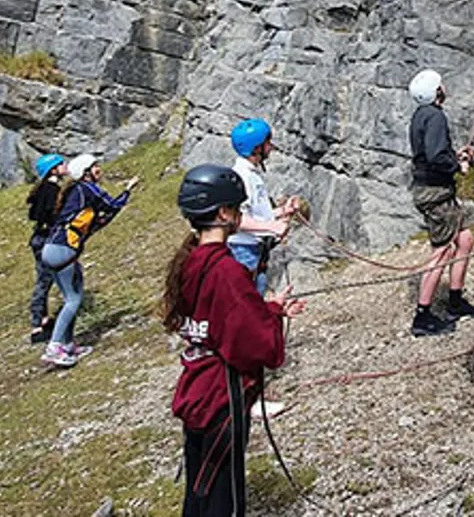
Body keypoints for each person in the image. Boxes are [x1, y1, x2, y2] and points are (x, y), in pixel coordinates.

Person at [163, 163, 306, 517]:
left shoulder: (190, 260)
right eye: (237, 208)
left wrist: (270, 308)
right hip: (222, 395)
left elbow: (220, 317)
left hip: (197, 387)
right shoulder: (227, 270)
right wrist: (270, 318)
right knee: (223, 499)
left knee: (200, 488)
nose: (240, 214)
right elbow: (256, 344)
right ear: (224, 213)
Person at [406, 69, 474, 337]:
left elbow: (430, 153)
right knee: (441, 251)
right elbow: (435, 156)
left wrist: (453, 156)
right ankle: (422, 316)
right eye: (440, 85)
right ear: (437, 92)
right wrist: (458, 165)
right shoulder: (435, 116)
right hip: (435, 193)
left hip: (433, 190)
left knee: (465, 240)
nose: (444, 87)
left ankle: (455, 301)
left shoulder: (421, 115)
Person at [228, 117, 303, 418]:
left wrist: (281, 212)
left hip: (253, 251)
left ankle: (250, 390)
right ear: (257, 147)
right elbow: (237, 220)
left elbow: (255, 214)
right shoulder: (242, 177)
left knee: (253, 315)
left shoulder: (250, 174)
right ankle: (248, 397)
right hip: (244, 252)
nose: (271, 146)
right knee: (249, 320)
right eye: (267, 142)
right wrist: (272, 227)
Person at [38, 153, 139, 367]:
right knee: (73, 300)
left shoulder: (76, 192)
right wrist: (128, 190)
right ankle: (54, 347)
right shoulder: (88, 189)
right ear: (86, 173)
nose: (98, 170)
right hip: (63, 249)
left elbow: (101, 219)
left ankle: (67, 344)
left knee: (72, 297)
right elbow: (111, 205)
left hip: (54, 248)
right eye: (95, 167)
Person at [24, 152, 70, 344]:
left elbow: (34, 214)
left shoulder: (43, 189)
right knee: (44, 279)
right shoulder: (52, 190)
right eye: (61, 164)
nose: (65, 166)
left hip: (39, 237)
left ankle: (42, 319)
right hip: (46, 239)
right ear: (53, 170)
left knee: (45, 278)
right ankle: (37, 326)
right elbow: (53, 215)